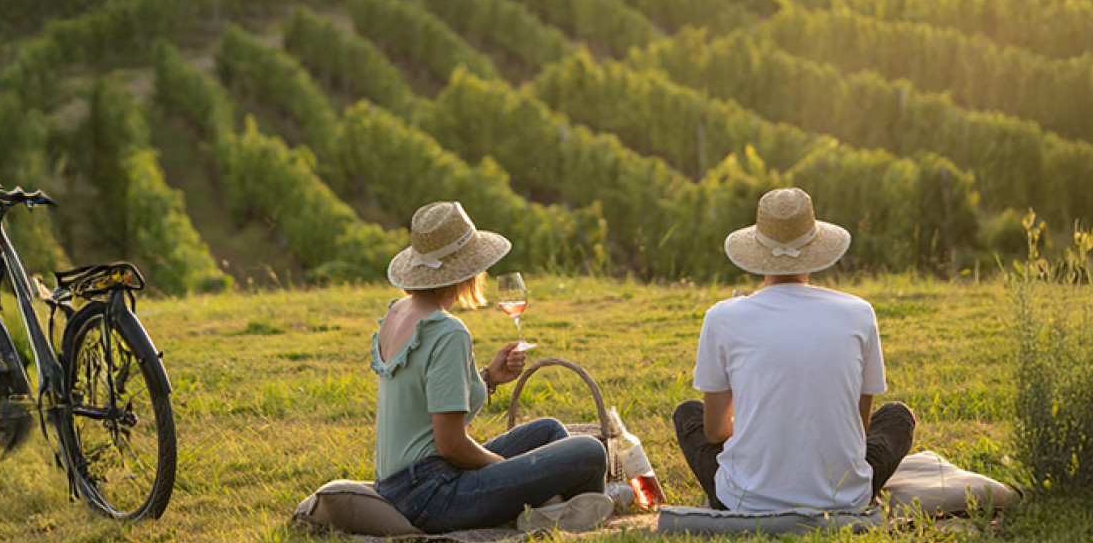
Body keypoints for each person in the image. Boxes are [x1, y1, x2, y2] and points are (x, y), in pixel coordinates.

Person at [671, 187, 917, 512]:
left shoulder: (723, 317)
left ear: (757, 252)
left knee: (688, 413)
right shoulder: (859, 312)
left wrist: (758, 426)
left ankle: (748, 486)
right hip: (843, 498)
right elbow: (858, 428)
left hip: (745, 501)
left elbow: (715, 431)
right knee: (897, 417)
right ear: (815, 249)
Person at [372, 201, 612, 532]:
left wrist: (488, 377)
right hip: (432, 495)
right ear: (468, 269)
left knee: (549, 431)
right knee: (588, 452)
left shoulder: (398, 312)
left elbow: (424, 400)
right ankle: (574, 510)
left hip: (397, 485)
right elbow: (452, 446)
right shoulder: (447, 330)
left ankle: (553, 510)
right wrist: (505, 468)